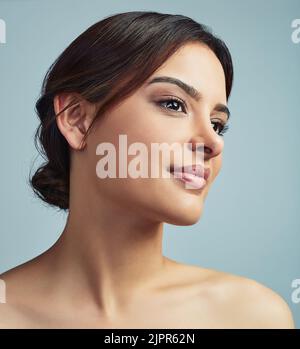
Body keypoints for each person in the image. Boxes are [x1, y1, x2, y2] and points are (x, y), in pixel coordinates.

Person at [0, 11, 295, 329]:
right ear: (77, 120)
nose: (213, 142)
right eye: (173, 104)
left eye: (217, 124)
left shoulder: (251, 317)